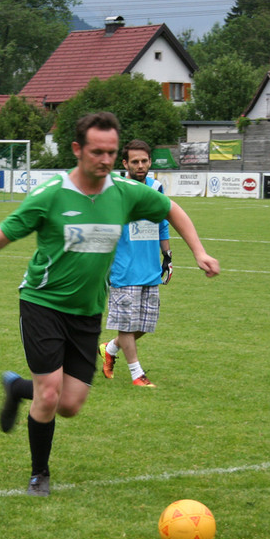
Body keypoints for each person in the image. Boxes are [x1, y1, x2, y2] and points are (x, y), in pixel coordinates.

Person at [0, 112, 220, 497]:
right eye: (98, 152)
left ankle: (17, 388)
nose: (106, 160)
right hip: (42, 304)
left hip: (87, 312)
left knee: (70, 405)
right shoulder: (51, 195)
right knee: (49, 394)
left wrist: (199, 251)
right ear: (78, 149)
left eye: (111, 152)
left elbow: (170, 209)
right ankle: (39, 474)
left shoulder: (124, 192)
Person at [98, 139, 173, 387]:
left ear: (150, 162)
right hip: (124, 267)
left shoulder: (156, 188)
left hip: (150, 267)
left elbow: (163, 222)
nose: (140, 165)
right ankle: (136, 374)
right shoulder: (116, 189)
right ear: (125, 163)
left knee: (145, 324)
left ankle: (109, 349)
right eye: (135, 161)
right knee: (127, 324)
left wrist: (167, 255)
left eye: (144, 161)